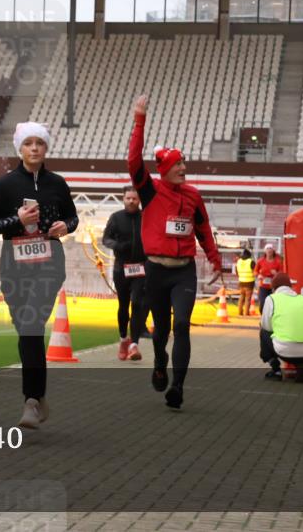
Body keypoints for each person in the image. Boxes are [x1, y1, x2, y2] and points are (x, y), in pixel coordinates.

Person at [127, 95, 222, 410]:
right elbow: (133, 162)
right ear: (166, 169)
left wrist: (215, 258)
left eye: (184, 163)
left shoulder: (194, 196)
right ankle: (159, 359)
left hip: (184, 270)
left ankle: (177, 387)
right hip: (156, 271)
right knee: (162, 329)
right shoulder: (150, 191)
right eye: (178, 164)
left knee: (181, 324)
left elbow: (203, 228)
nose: (184, 168)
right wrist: (140, 119)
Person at [0, 122, 78, 429]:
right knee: (26, 329)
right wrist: (16, 219)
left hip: (50, 261)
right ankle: (37, 395)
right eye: (28, 143)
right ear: (19, 148)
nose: (34, 148)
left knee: (32, 324)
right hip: (14, 263)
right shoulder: (5, 185)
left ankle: (31, 401)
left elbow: (72, 216)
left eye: (39, 143)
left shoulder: (58, 183)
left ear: (46, 147)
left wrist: (66, 226)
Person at [102, 185, 149, 361]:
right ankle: (123, 339)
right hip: (121, 268)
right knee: (124, 305)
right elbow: (105, 239)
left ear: (139, 200)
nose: (131, 201)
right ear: (123, 199)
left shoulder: (146, 217)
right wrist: (117, 246)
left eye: (134, 199)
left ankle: (134, 344)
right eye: (128, 198)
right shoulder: (116, 218)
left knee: (137, 304)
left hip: (140, 267)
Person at [259, 273, 303, 383]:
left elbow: (266, 326)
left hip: (285, 350)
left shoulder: (271, 299)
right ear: (290, 286)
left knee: (263, 330)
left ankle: (276, 370)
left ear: (274, 288)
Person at [255, 242, 285, 311]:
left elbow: (282, 273)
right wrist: (258, 275)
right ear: (265, 251)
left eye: (270, 249)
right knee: (262, 303)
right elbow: (255, 271)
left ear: (273, 251)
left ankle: (272, 318)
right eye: (267, 249)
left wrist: (276, 273)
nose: (269, 250)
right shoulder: (260, 261)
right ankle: (263, 316)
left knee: (274, 303)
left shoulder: (278, 262)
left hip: (274, 286)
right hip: (263, 286)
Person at [232, 248, 256, 316]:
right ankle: (246, 313)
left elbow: (236, 272)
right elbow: (255, 272)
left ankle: (240, 312)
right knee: (248, 299)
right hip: (249, 282)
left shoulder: (238, 261)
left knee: (241, 297)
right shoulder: (251, 261)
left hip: (241, 282)